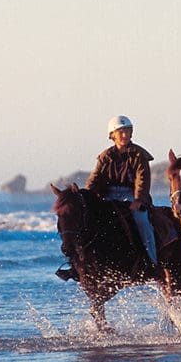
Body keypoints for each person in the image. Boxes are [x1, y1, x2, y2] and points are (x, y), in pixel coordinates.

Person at [56, 115, 158, 282]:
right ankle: (75, 266)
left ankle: (152, 262)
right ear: (112, 135)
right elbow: (94, 180)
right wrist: (87, 197)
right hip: (109, 196)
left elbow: (142, 179)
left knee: (142, 220)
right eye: (120, 132)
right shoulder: (105, 156)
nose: (124, 135)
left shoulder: (139, 155)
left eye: (127, 131)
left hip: (131, 195)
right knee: (84, 221)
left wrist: (138, 200)